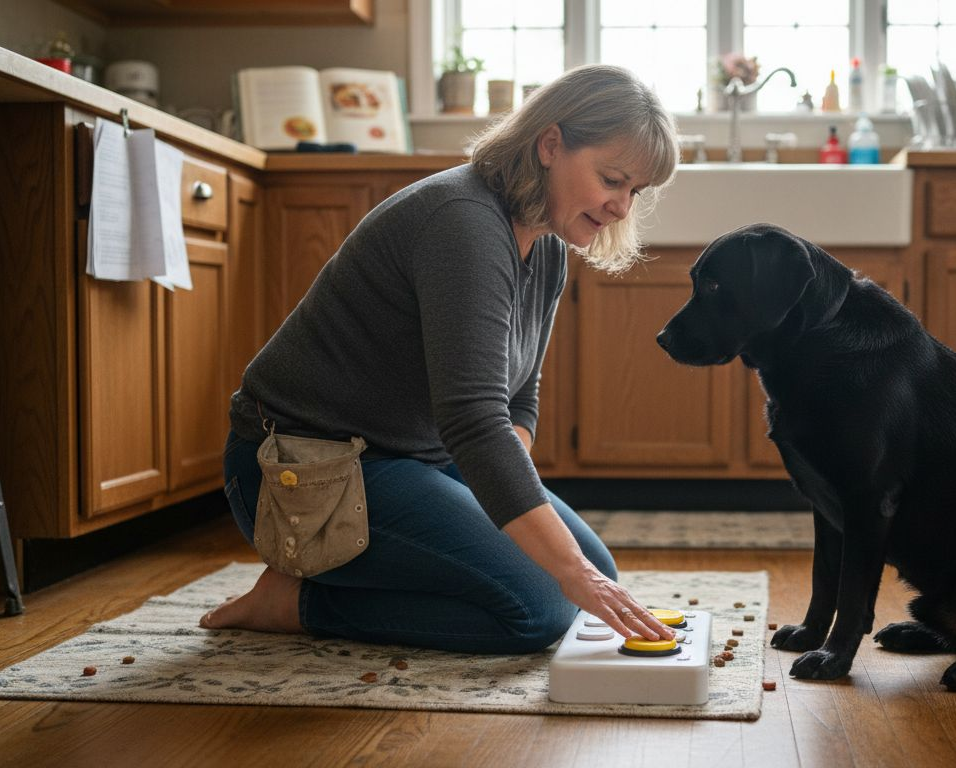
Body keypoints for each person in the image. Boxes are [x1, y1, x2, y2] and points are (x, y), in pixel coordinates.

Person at [199, 64, 680, 653]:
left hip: (408, 457)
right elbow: (474, 421)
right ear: (550, 144)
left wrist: (507, 511)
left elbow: (518, 395)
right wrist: (552, 560)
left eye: (635, 192)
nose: (622, 208)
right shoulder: (463, 224)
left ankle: (338, 572)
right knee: (541, 606)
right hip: (303, 467)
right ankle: (299, 602)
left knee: (592, 565)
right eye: (613, 179)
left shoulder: (546, 243)